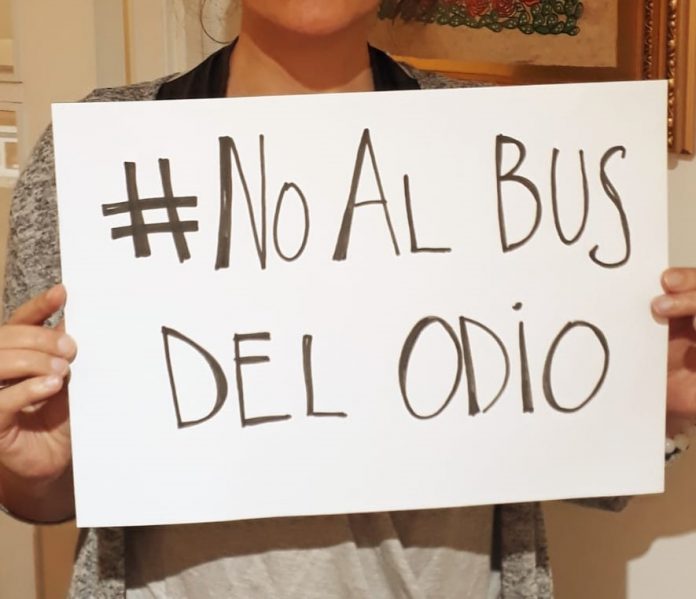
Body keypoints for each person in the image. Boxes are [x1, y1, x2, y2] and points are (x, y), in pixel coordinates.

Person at [0, 1, 693, 597]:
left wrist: (652, 396)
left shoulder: (505, 144)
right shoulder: (98, 152)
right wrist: (27, 466)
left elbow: (551, 434)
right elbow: (56, 482)